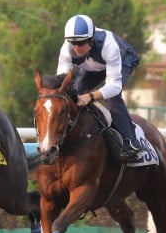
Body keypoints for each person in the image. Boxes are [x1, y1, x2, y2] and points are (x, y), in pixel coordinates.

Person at [57, 14, 141, 161]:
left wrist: (90, 96)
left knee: (112, 97)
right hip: (94, 66)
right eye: (72, 42)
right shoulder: (66, 49)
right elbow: (62, 83)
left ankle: (130, 142)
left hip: (123, 58)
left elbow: (114, 86)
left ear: (91, 39)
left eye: (81, 43)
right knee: (73, 93)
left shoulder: (109, 45)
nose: (76, 48)